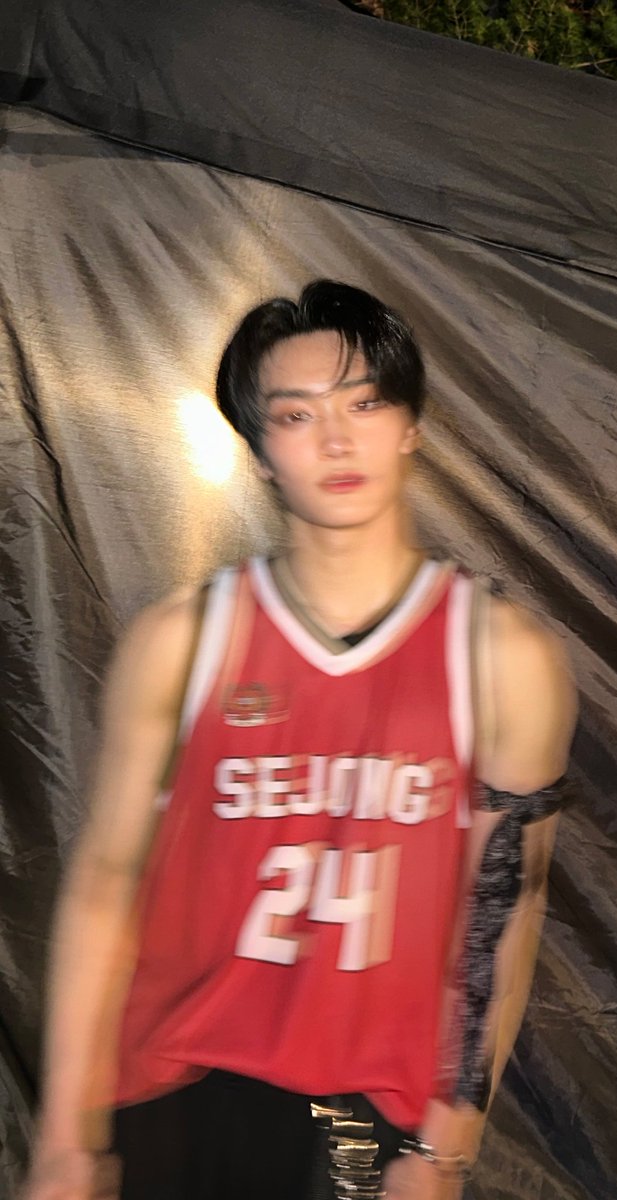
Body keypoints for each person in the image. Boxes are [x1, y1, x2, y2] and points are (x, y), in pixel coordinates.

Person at [22, 280, 576, 1200]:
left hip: (365, 1122)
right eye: (295, 414)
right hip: (175, 1088)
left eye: (364, 403)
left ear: (411, 425)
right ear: (261, 451)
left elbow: (504, 909)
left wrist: (449, 1145)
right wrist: (66, 1134)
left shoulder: (503, 657)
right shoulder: (184, 641)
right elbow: (104, 886)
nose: (336, 439)